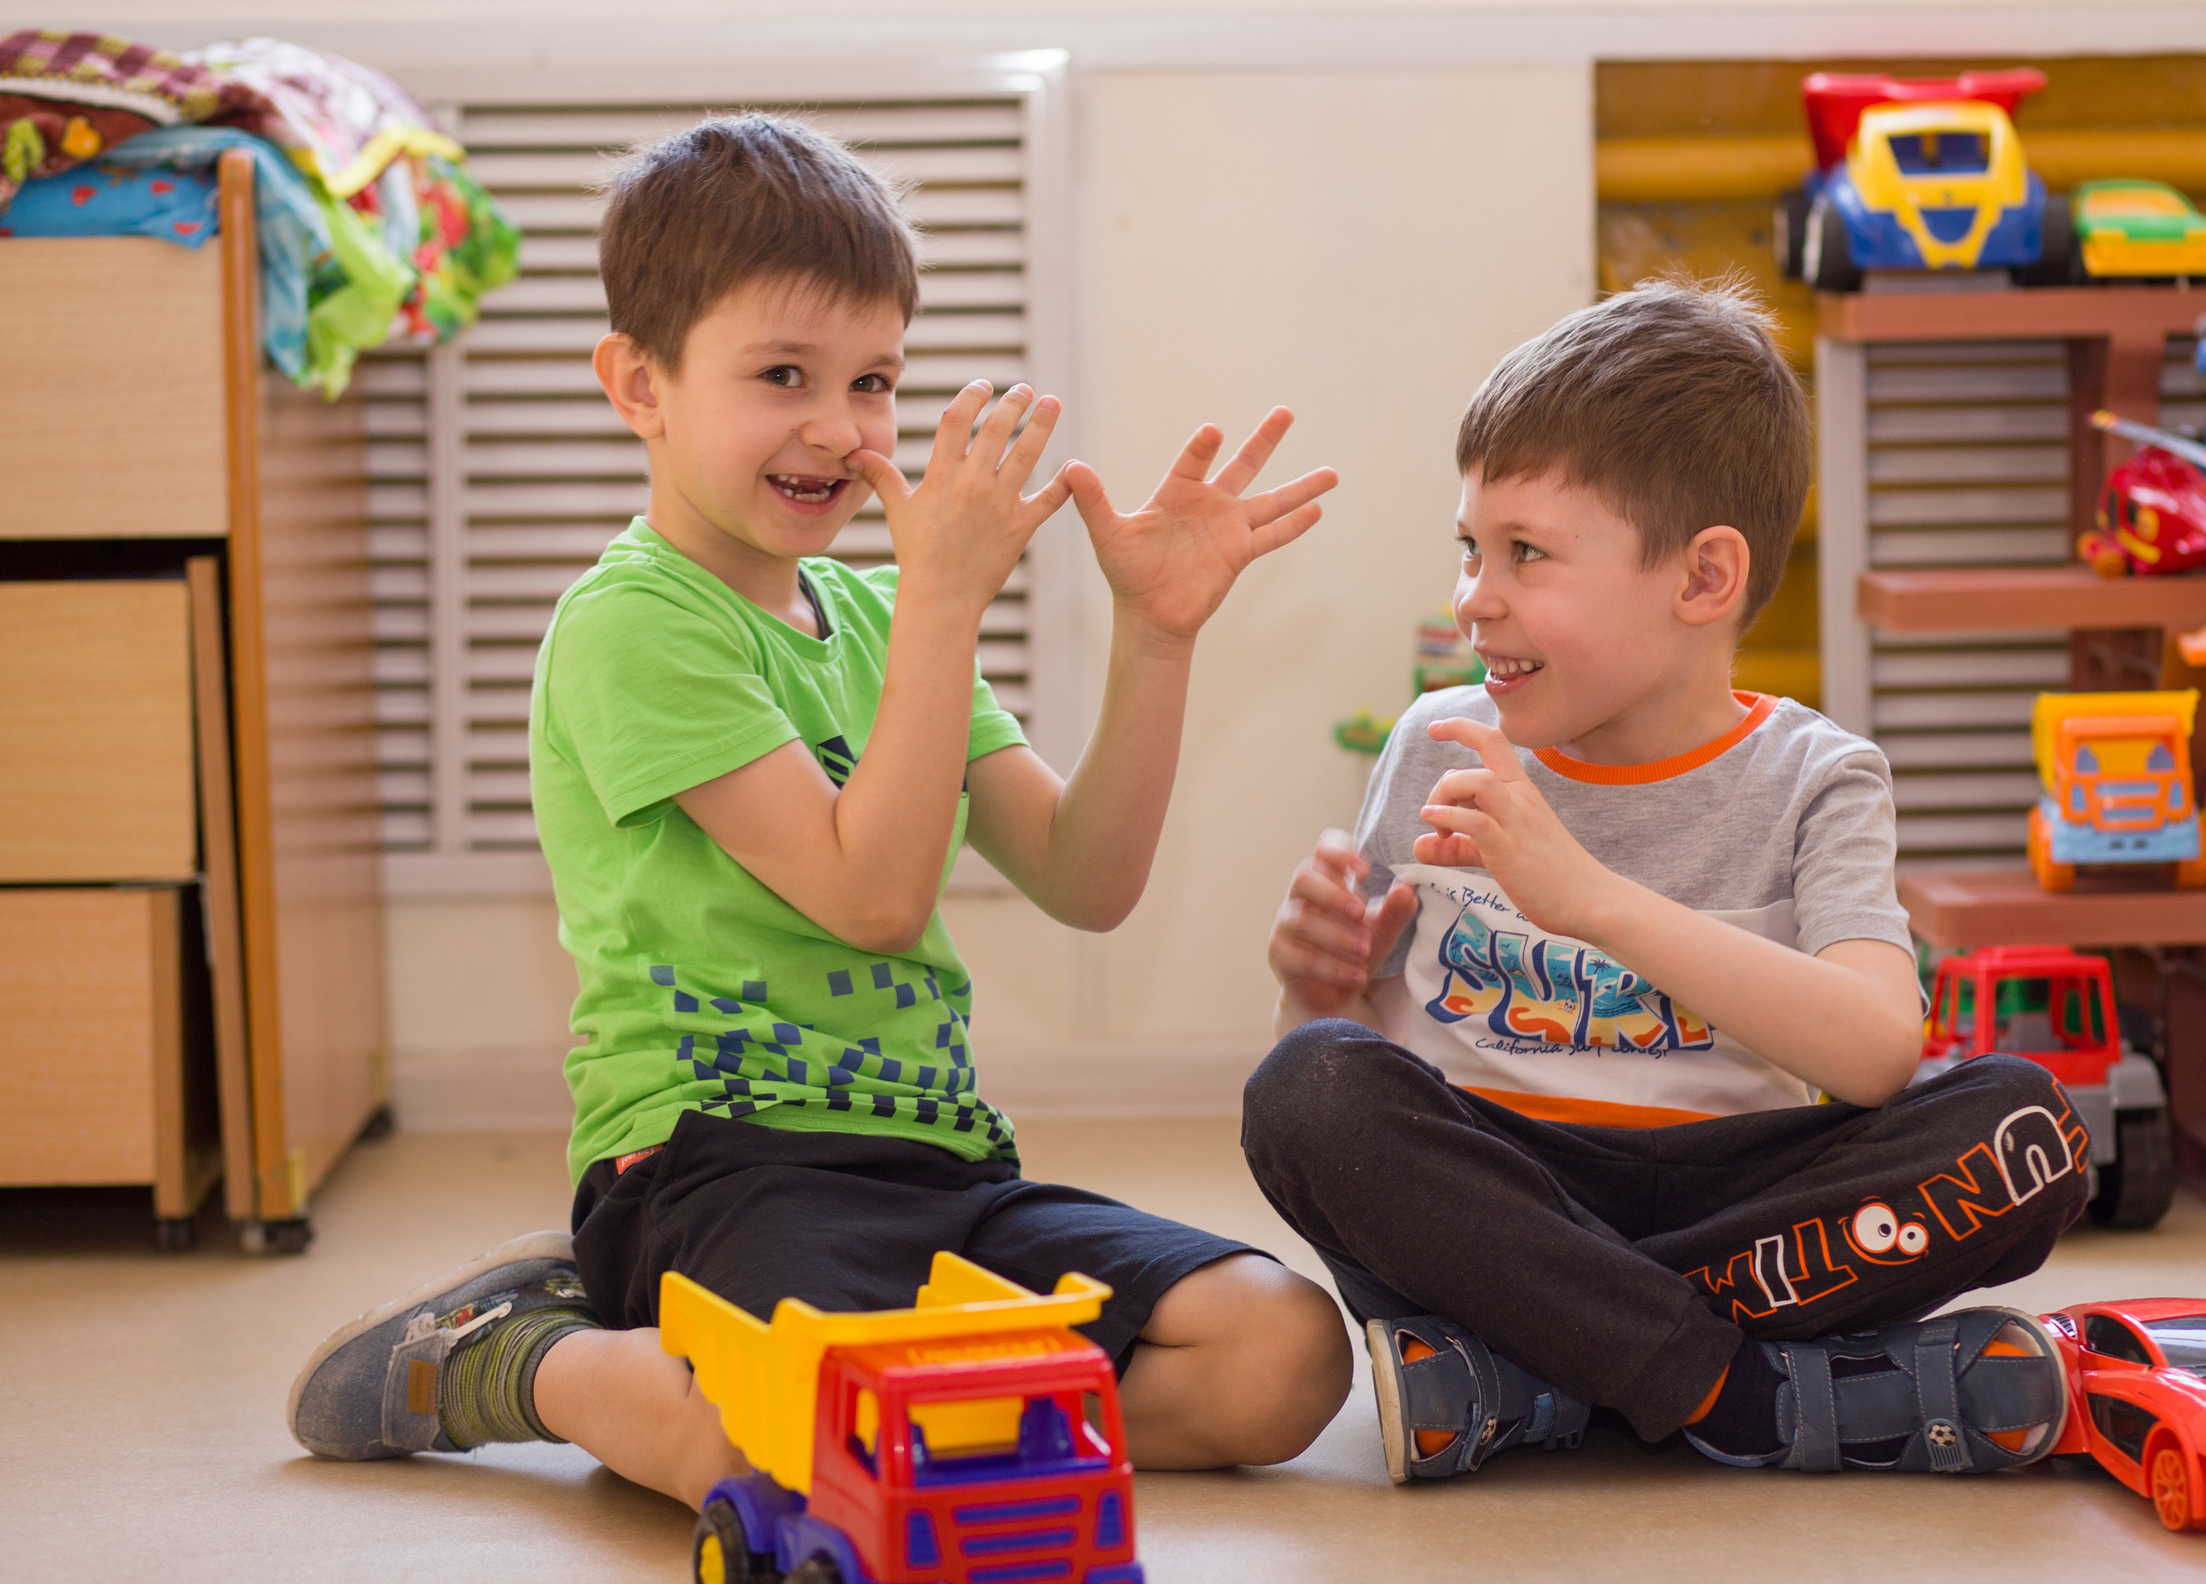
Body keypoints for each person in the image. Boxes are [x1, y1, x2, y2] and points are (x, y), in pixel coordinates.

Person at [289, 114, 1352, 1505]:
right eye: (781, 373)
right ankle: (516, 1348)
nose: (841, 430)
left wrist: (1155, 637)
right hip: (717, 1166)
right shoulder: (633, 626)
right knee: (776, 1454)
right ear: (638, 383)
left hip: (940, 1167)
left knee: (1282, 1353)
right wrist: (947, 605)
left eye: (874, 381)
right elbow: (872, 895)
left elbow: (1085, 877)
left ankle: (881, 1395)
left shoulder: (874, 617)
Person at [1246, 279, 2085, 1485]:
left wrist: (1586, 897)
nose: (1473, 596)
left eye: (1525, 553)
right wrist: (1309, 985)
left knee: (2024, 1128)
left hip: (1734, 1206)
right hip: (1504, 1202)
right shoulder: (1438, 742)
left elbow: (1872, 1053)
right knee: (1305, 1092)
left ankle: (1539, 1370)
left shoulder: (1819, 777)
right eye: (1470, 548)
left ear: (1701, 581)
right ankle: (1736, 1392)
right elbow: (1350, 1075)